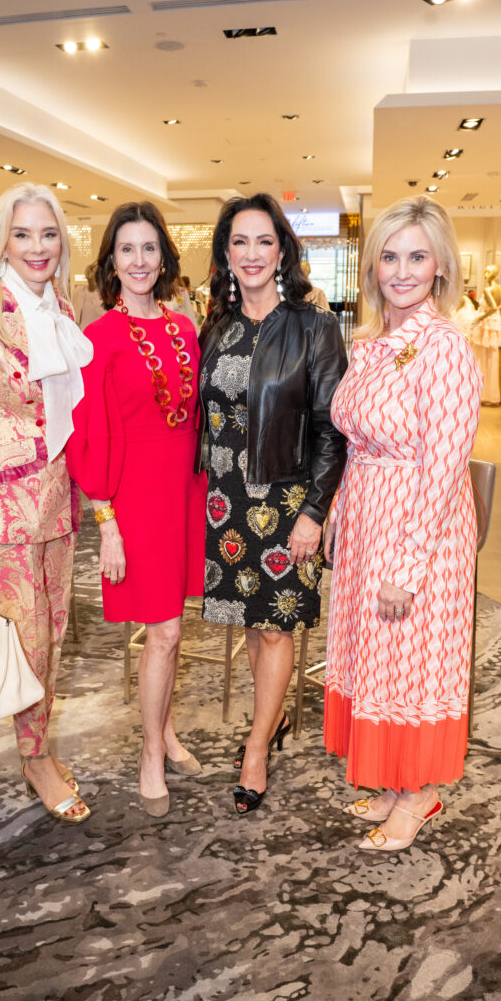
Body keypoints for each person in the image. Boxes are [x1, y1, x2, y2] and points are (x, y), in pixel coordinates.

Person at [323, 195, 483, 852]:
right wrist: (337, 509)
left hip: (420, 529)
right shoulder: (375, 344)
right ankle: (393, 781)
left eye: (416, 255)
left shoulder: (443, 347)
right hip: (368, 517)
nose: (401, 269)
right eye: (388, 256)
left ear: (441, 264)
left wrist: (407, 567)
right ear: (371, 266)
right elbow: (358, 441)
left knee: (414, 663)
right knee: (379, 659)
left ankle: (419, 794)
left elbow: (444, 470)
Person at [0, 182, 94, 824]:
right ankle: (35, 758)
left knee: (55, 633)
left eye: (48, 233)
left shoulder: (59, 305)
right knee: (28, 640)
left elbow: (68, 409)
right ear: (3, 237)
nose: (37, 246)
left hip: (59, 500)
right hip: (1, 506)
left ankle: (38, 744)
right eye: (24, 233)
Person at [197, 193, 348, 815]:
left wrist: (315, 511)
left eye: (264, 241)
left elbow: (331, 430)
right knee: (254, 629)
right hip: (227, 500)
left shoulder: (313, 326)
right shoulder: (218, 326)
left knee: (276, 626)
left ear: (282, 250)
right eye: (240, 242)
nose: (252, 254)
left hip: (286, 501)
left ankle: (257, 746)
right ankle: (274, 711)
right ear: (225, 253)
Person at [66, 202, 206, 819]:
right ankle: (151, 751)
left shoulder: (185, 328)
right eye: (128, 249)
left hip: (183, 491)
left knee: (170, 630)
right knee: (165, 631)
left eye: (150, 248)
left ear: (164, 257)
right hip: (133, 498)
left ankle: (166, 728)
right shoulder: (97, 338)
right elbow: (87, 434)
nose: (140, 261)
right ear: (111, 261)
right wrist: (108, 525)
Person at [470, 263, 501, 404]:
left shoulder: (487, 290)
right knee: (491, 357)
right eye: (485, 271)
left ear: (494, 274)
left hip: (485, 324)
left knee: (480, 357)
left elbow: (493, 308)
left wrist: (479, 318)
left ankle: (481, 393)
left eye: (488, 272)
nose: (485, 274)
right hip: (493, 325)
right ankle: (491, 394)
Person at [71, 262, 105, 329]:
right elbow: (74, 317)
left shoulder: (105, 295)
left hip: (97, 334)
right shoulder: (79, 291)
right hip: (81, 334)